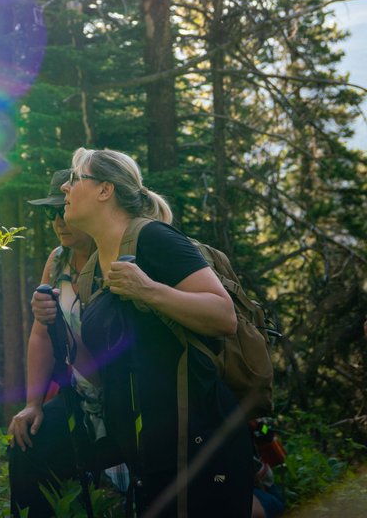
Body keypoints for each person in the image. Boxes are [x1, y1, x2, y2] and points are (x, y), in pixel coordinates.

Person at [33, 148, 253, 518]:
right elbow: (98, 371)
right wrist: (55, 324)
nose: (66, 188)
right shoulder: (93, 268)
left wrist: (148, 290)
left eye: (76, 178)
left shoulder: (154, 238)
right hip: (146, 451)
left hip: (197, 443)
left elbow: (223, 315)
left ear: (105, 190)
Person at [8, 169, 123, 517]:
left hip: (128, 396)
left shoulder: (116, 252)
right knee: (26, 443)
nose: (58, 220)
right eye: (50, 213)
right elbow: (40, 335)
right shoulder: (57, 260)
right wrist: (33, 403)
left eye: (64, 208)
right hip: (81, 396)